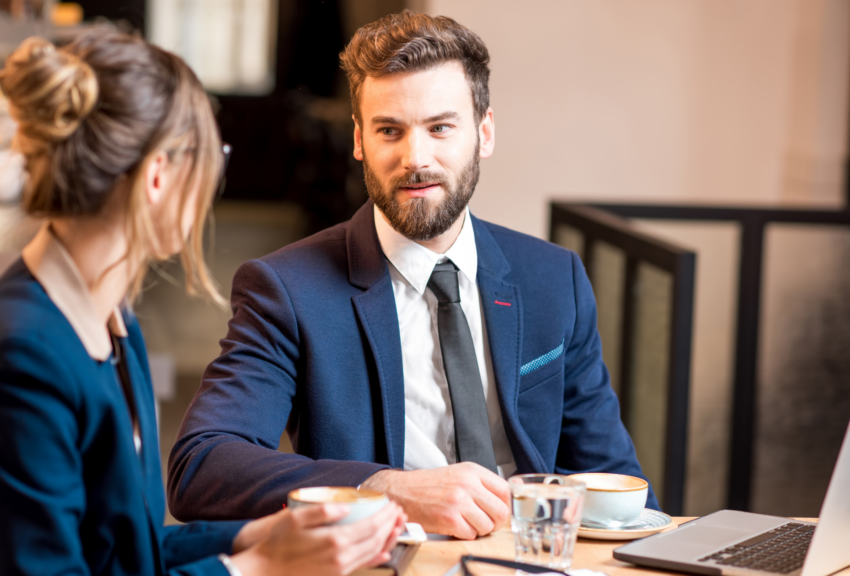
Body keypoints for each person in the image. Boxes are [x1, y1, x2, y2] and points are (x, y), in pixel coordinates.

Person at [0, 29, 405, 576]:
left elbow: (125, 553)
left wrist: (256, 534)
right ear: (156, 176)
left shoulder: (110, 325)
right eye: (211, 157)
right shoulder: (15, 361)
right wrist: (260, 568)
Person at [168, 10, 659, 540]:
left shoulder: (552, 278)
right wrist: (386, 487)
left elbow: (616, 479)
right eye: (389, 131)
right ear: (360, 141)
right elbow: (202, 466)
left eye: (440, 127)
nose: (415, 158)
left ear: (484, 132)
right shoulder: (287, 289)